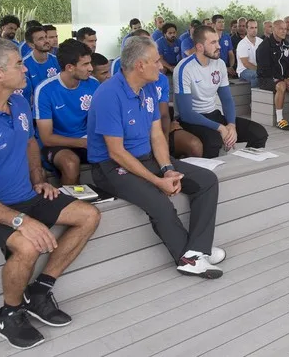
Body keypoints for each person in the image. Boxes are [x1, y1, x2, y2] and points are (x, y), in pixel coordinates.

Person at [0, 38, 100, 349]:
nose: (25, 69)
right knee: (28, 246)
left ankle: (40, 290)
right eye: (18, 64)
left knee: (88, 215)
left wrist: (39, 178)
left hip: (26, 193)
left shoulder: (18, 102)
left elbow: (31, 143)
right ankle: (10, 312)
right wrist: (22, 221)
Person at [87, 36, 224, 278]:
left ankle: (197, 250)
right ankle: (188, 258)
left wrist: (167, 168)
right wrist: (157, 181)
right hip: (111, 167)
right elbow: (116, 152)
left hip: (146, 157)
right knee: (160, 203)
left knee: (207, 181)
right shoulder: (108, 94)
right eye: (156, 61)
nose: (161, 67)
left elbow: (157, 135)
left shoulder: (149, 86)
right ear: (140, 65)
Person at [175, 26, 268, 158]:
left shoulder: (219, 64)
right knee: (214, 141)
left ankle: (246, 167)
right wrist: (221, 128)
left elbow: (227, 100)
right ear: (200, 47)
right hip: (193, 120)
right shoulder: (184, 68)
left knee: (259, 133)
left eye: (218, 41)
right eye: (213, 43)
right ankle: (210, 176)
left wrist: (231, 125)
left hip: (213, 115)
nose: (219, 46)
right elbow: (186, 114)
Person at [34, 39, 98, 185]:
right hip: (57, 144)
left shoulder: (93, 84)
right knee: (70, 164)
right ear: (70, 67)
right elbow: (47, 138)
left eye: (90, 63)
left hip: (87, 140)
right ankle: (69, 205)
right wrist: (83, 143)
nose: (90, 68)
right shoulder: (45, 90)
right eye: (85, 64)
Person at [256, 20, 289, 131]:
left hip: (284, 78)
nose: (284, 31)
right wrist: (283, 80)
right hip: (266, 79)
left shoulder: (287, 45)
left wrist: (288, 78)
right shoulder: (264, 47)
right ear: (273, 29)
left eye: (285, 29)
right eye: (281, 28)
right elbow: (264, 70)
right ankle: (280, 120)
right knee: (281, 86)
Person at [23, 26, 60, 91]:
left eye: (46, 37)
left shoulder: (57, 60)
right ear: (31, 45)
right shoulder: (24, 64)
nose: (46, 41)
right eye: (41, 39)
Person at [236, 19, 262, 87]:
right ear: (247, 29)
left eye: (256, 27)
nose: (254, 30)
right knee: (257, 75)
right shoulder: (242, 44)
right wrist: (260, 70)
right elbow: (246, 63)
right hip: (244, 71)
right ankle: (254, 97)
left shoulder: (261, 42)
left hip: (258, 69)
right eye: (252, 28)